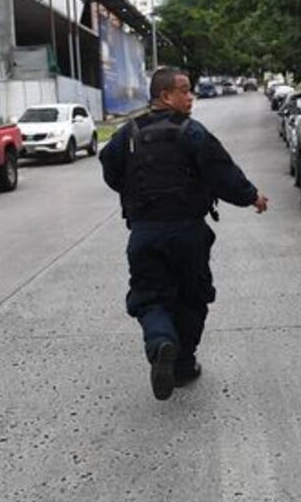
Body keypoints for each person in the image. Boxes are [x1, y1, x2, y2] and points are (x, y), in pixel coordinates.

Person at [101, 67, 268, 401]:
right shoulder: (191, 132)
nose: (190, 97)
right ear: (165, 96)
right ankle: (183, 365)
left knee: (150, 297)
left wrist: (134, 195)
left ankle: (161, 342)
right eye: (184, 91)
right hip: (188, 231)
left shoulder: (127, 134)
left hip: (145, 233)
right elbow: (223, 172)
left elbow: (110, 168)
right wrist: (252, 197)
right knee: (192, 297)